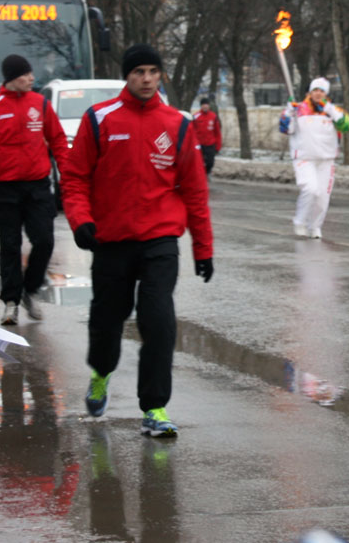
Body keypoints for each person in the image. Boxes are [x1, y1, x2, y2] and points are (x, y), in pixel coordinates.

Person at [61, 44, 215, 438]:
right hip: (111, 241)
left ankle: (155, 407)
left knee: (159, 321)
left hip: (160, 241)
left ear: (160, 75)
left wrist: (203, 249)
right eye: (138, 72)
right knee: (107, 321)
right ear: (126, 76)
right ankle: (100, 374)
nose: (146, 79)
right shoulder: (101, 119)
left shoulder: (178, 124)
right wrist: (81, 221)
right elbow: (75, 177)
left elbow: (195, 191)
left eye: (153, 71)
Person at [0, 53, 70, 325]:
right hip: (5, 189)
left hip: (37, 187)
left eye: (31, 73)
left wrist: (68, 175)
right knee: (10, 246)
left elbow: (57, 140)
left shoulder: (40, 104)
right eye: (25, 74)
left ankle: (30, 290)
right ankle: (11, 301)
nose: (31, 79)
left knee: (44, 240)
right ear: (11, 78)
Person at [283, 77, 349, 239]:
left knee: (322, 197)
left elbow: (347, 125)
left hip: (326, 160)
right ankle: (299, 221)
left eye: (322, 91)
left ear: (326, 93)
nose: (318, 93)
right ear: (310, 92)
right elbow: (285, 128)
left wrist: (330, 110)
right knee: (310, 189)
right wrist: (288, 113)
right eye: (315, 90)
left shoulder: (332, 111)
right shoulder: (298, 109)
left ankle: (314, 227)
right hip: (304, 158)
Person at [192, 96, 223, 176]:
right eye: (203, 104)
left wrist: (218, 146)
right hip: (199, 145)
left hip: (210, 144)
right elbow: (192, 131)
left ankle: (206, 173)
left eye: (207, 104)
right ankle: (201, 176)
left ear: (209, 106)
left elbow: (217, 132)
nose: (205, 106)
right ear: (201, 106)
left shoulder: (213, 116)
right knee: (199, 163)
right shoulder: (196, 116)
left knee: (210, 162)